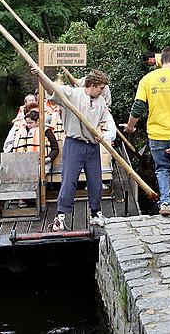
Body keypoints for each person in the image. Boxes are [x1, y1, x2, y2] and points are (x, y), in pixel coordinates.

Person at [33, 68, 113, 231]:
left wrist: (100, 132)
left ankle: (95, 213)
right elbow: (52, 89)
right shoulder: (73, 94)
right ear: (92, 85)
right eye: (101, 88)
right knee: (69, 180)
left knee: (95, 180)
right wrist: (40, 76)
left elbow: (105, 122)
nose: (103, 91)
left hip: (92, 146)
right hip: (74, 144)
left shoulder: (100, 101)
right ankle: (60, 217)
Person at [125, 47, 170, 216]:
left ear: (161, 60)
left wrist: (130, 127)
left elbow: (138, 107)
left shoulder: (147, 79)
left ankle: (165, 202)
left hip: (156, 134)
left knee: (162, 168)